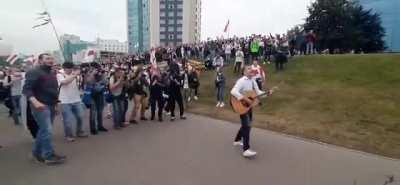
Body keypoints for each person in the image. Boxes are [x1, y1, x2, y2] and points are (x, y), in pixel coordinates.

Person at [23, 53, 66, 165]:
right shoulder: (34, 72)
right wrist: (35, 102)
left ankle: (36, 154)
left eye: (51, 58)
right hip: (40, 105)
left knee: (44, 130)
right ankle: (48, 156)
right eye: (47, 58)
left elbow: (53, 90)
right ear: (40, 61)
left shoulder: (51, 73)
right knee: (47, 130)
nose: (50, 60)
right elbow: (27, 89)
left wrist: (56, 104)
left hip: (51, 104)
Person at [230, 66, 271, 158]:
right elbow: (233, 91)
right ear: (244, 72)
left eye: (250, 69)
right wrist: (244, 98)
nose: (250, 70)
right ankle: (246, 149)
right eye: (248, 69)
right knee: (247, 126)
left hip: (248, 106)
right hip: (240, 105)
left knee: (246, 125)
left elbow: (258, 93)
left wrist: (267, 93)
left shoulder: (253, 80)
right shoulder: (241, 81)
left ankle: (237, 140)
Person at [58, 62, 88, 142]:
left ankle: (79, 132)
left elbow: (83, 84)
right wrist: (75, 75)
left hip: (76, 99)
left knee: (80, 116)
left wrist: (84, 75)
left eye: (72, 68)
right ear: (65, 68)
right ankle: (69, 135)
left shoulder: (76, 75)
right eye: (70, 68)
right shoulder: (59, 74)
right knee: (67, 120)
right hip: (64, 100)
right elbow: (65, 82)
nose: (71, 70)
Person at [86, 63, 108, 135]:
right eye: (93, 68)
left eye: (97, 68)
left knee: (100, 112)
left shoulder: (101, 74)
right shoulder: (89, 74)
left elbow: (105, 82)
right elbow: (88, 82)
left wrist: (97, 84)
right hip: (91, 96)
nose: (96, 70)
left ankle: (100, 126)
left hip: (100, 95)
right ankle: (93, 129)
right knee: (93, 113)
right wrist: (92, 74)